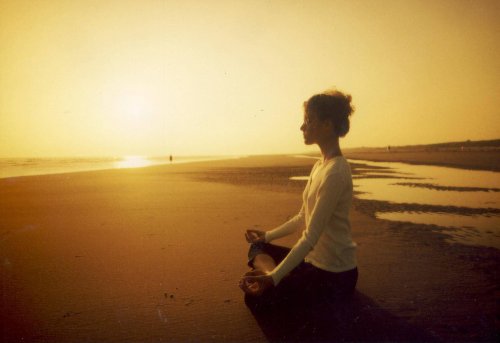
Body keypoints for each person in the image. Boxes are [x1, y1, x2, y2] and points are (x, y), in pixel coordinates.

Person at [239, 89, 358, 313]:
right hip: (311, 263)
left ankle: (273, 276)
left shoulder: (336, 172)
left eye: (308, 120)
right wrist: (267, 236)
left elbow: (310, 236)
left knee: (256, 299)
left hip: (335, 275)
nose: (302, 127)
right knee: (257, 245)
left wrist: (273, 279)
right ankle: (273, 275)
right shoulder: (319, 165)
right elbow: (303, 216)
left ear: (327, 124)